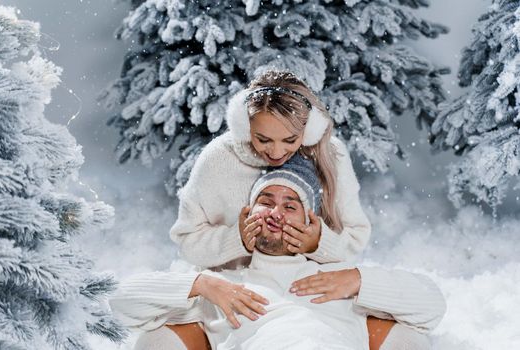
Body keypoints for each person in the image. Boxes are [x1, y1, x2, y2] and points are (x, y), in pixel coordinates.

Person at [110, 155, 446, 349]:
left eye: (290, 206)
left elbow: (432, 307)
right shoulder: (224, 287)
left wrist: (357, 280)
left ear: (309, 220)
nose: (276, 212)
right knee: (154, 340)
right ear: (246, 216)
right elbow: (121, 301)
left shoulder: (335, 281)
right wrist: (202, 285)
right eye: (265, 202)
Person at [170, 69, 371, 269]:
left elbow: (356, 236)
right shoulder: (218, 159)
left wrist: (318, 244)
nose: (276, 152)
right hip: (231, 289)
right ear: (244, 127)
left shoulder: (331, 154)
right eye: (263, 139)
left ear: (309, 130)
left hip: (301, 287)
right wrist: (234, 240)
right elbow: (186, 239)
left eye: (290, 140)